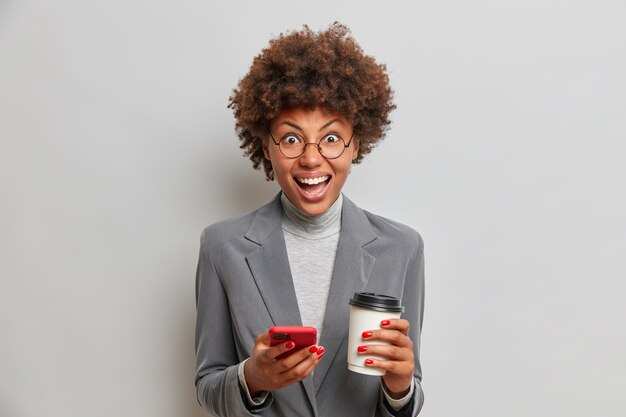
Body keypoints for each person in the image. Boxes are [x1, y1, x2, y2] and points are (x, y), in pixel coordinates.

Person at [195, 23, 425, 417]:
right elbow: (207, 385)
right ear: (266, 145)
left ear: (356, 143)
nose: (312, 158)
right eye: (290, 138)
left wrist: (402, 387)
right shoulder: (222, 246)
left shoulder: (403, 248)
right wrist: (253, 377)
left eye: (332, 138)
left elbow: (407, 396)